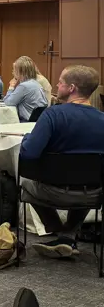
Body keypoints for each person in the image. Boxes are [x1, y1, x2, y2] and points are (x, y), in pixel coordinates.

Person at [19, 65, 104, 257]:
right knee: (85, 180)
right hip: (94, 195)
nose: (56, 85)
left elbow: (29, 155)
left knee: (24, 182)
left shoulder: (53, 115)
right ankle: (68, 235)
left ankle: (58, 231)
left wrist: (26, 140)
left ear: (71, 88)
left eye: (60, 82)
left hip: (54, 192)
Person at [3, 56, 49, 121]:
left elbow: (7, 102)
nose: (12, 72)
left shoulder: (24, 86)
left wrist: (11, 87)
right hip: (37, 121)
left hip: (26, 121)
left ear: (20, 72)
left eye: (14, 70)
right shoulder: (36, 84)